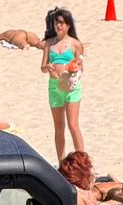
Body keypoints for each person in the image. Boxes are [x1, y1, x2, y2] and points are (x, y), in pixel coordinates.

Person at [41, 8, 84, 163]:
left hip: (71, 87)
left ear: (68, 25)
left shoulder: (75, 44)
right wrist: (48, 67)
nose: (58, 25)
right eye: (56, 22)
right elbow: (42, 67)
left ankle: (83, 162)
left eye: (61, 23)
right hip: (54, 86)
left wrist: (74, 69)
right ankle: (61, 162)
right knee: (59, 127)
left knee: (73, 125)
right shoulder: (49, 44)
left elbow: (81, 67)